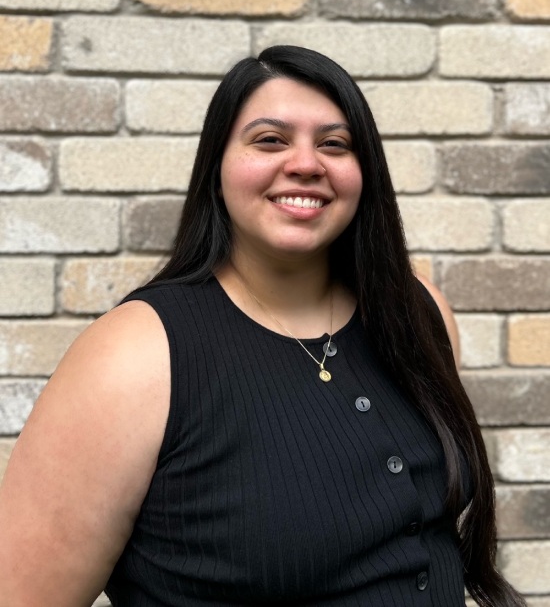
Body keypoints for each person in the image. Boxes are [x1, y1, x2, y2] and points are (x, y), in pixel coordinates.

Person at [0, 46, 525, 607]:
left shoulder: (418, 314)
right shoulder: (135, 356)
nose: (306, 163)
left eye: (335, 144)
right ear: (216, 168)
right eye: (270, 140)